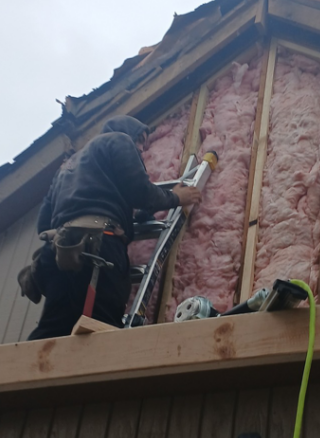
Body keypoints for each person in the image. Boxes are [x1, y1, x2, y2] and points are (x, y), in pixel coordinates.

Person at [23, 115, 201, 338]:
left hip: (60, 254)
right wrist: (175, 197)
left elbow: (43, 223)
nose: (141, 150)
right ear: (128, 132)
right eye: (141, 141)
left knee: (54, 330)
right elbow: (139, 191)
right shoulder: (118, 140)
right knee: (102, 329)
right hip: (98, 249)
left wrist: (134, 215)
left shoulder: (67, 167)